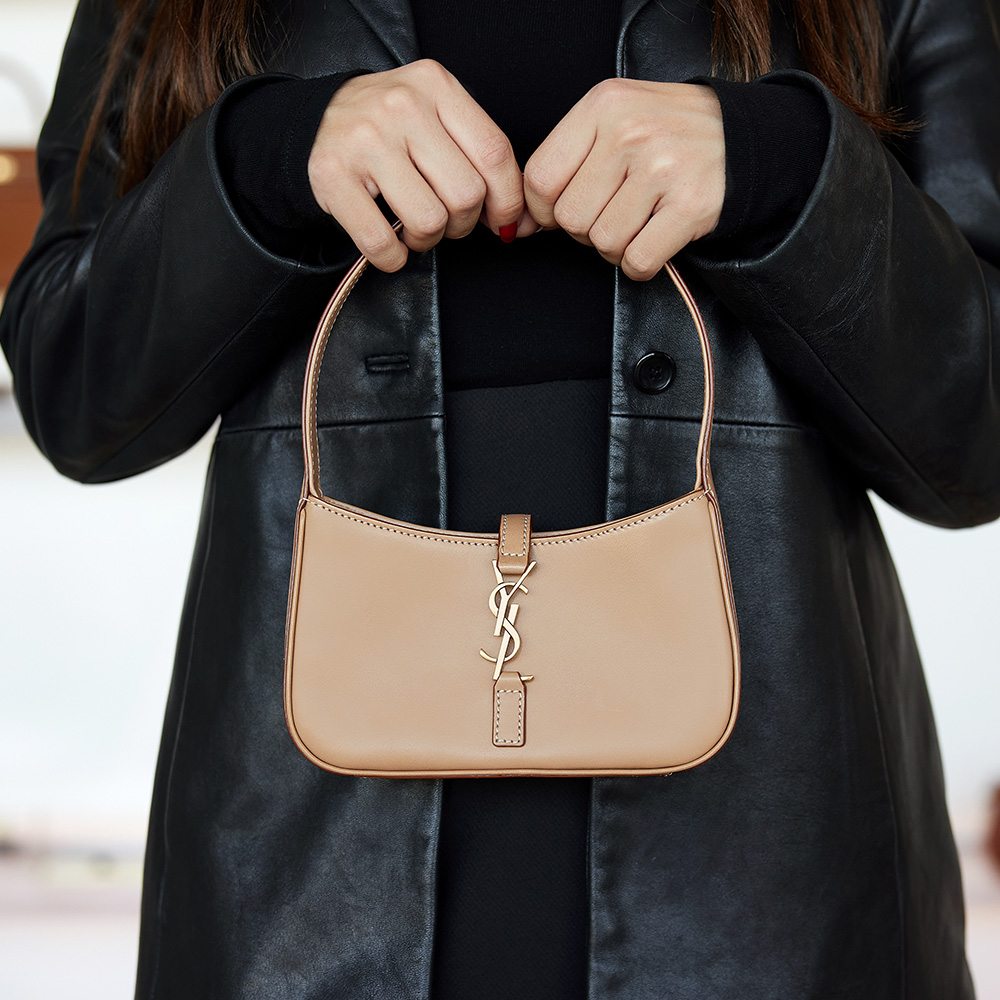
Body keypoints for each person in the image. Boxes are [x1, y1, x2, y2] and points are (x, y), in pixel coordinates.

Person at [1, 0, 997, 996]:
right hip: (308, 866)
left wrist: (784, 163)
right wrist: (265, 156)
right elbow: (74, 386)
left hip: (767, 858)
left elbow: (978, 438)